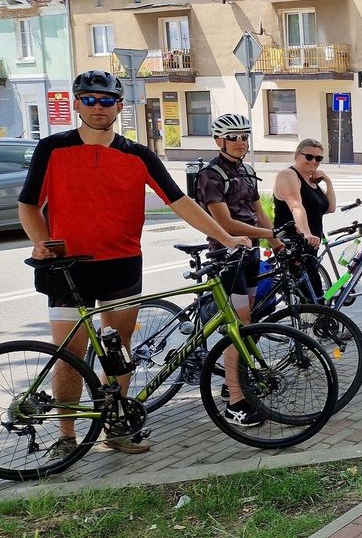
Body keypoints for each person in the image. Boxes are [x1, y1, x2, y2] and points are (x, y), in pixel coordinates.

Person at [19, 70, 250, 456]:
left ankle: (116, 427)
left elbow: (180, 201)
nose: (97, 107)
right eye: (88, 99)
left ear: (119, 107)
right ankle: (66, 436)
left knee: (118, 351)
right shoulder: (52, 148)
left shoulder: (138, 154)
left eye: (106, 100)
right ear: (75, 103)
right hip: (66, 267)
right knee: (69, 353)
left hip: (122, 264)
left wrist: (225, 237)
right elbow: (28, 205)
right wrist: (42, 243)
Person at [197, 112, 285, 427]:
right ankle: (235, 401)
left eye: (244, 136)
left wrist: (276, 240)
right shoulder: (211, 174)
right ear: (219, 140)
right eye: (233, 137)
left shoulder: (246, 170)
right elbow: (224, 222)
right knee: (240, 329)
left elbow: (258, 212)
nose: (240, 143)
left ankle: (230, 383)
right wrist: (268, 236)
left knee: (248, 323)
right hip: (227, 258)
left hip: (248, 256)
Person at [272, 138, 336, 289]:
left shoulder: (312, 181)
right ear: (297, 155)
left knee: (311, 295)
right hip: (294, 243)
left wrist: (327, 182)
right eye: (309, 157)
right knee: (310, 295)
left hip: (310, 245)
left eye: (318, 158)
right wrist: (306, 234)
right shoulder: (288, 175)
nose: (313, 161)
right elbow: (296, 206)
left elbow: (330, 208)